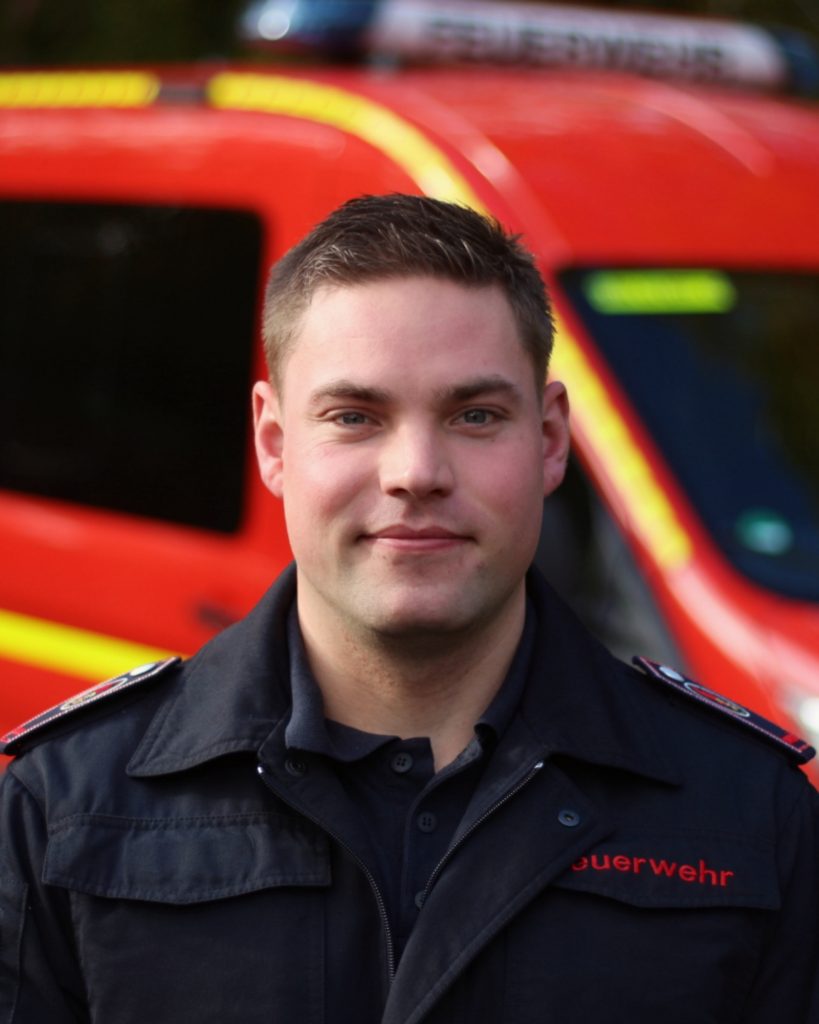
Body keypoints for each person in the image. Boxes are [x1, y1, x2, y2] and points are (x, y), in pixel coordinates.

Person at [1, 194, 817, 1024]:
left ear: (548, 440)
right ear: (274, 443)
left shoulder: (751, 815)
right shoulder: (63, 807)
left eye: (474, 416)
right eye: (355, 417)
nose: (416, 472)